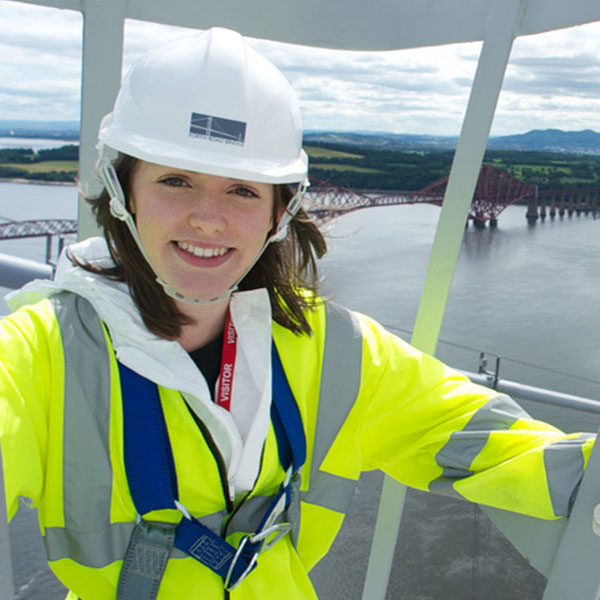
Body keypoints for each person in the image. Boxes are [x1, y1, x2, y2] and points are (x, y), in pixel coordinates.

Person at [0, 27, 594, 600]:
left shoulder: (328, 347)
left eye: (243, 190)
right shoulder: (41, 354)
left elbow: (475, 432)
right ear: (122, 190)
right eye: (175, 181)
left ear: (278, 213)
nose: (208, 220)